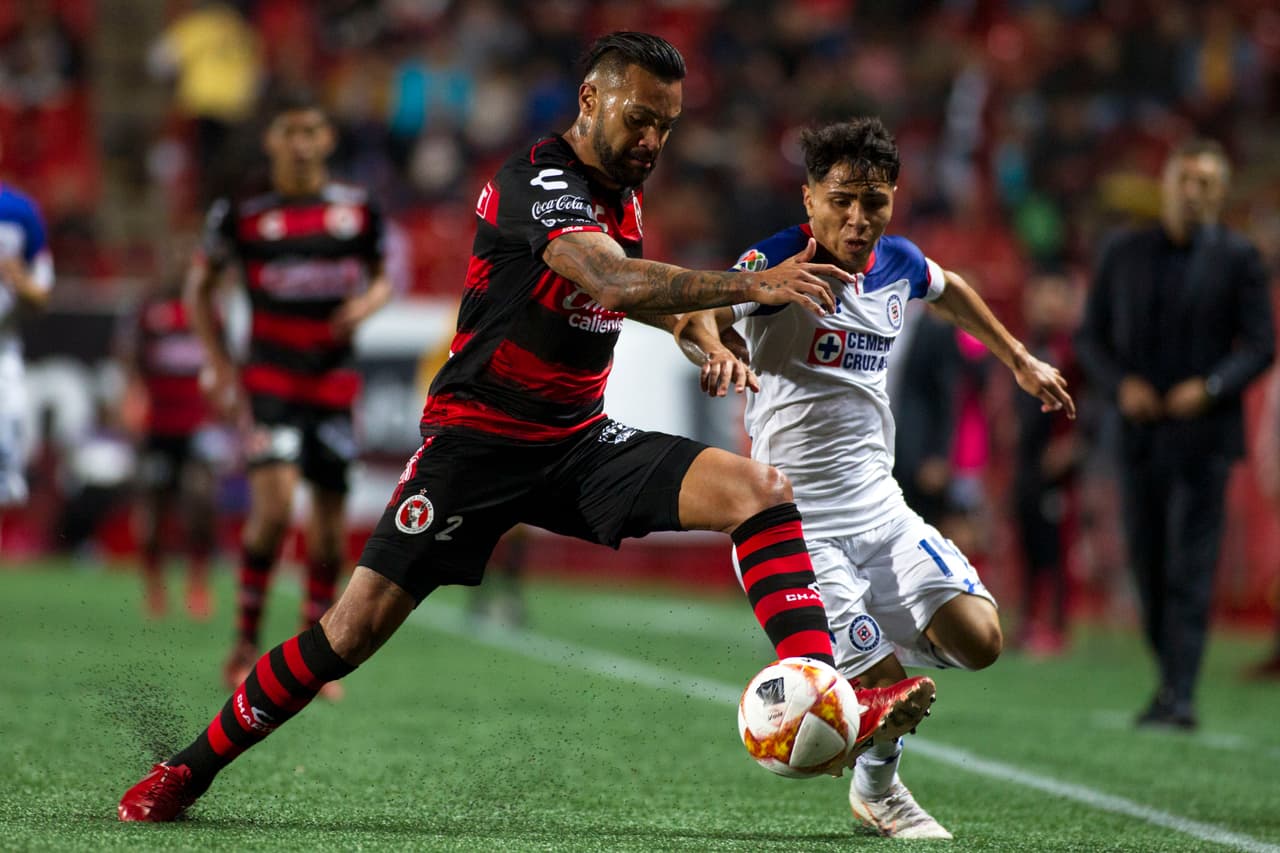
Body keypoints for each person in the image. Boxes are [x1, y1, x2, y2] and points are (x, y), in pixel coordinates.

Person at [118, 33, 938, 823]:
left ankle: (831, 684)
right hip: (475, 446)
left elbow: (640, 298)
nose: (653, 138)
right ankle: (186, 769)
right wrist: (747, 290)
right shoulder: (536, 181)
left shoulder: (623, 192)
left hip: (577, 442)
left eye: (667, 125)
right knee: (349, 629)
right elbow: (612, 282)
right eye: (640, 118)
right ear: (591, 99)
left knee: (759, 491)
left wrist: (704, 338)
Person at [675, 116, 1074, 839]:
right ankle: (878, 785)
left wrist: (1018, 358)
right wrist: (716, 346)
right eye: (841, 201)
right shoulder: (776, 262)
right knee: (889, 685)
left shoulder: (898, 261)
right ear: (809, 199)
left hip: (882, 511)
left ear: (893, 200)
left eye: (875, 201)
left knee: (981, 637)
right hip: (797, 525)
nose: (858, 219)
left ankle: (861, 672)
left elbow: (951, 291)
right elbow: (694, 307)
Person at [186, 93, 392, 701]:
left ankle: (310, 651)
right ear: (272, 140)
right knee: (274, 510)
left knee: (329, 532)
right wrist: (220, 363)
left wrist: (369, 303)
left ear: (328, 139)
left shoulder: (356, 211)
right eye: (289, 130)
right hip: (269, 381)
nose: (301, 142)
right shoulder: (242, 211)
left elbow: (383, 274)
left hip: (332, 384)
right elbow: (200, 286)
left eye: (311, 129)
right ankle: (244, 645)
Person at [1075, 138, 1274, 729]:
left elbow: (1261, 346)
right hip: (1138, 433)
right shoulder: (1122, 252)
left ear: (1220, 193)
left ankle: (1180, 693)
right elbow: (1091, 339)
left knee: (1192, 564)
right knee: (1147, 562)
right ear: (1166, 184)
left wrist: (1210, 387)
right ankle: (1170, 681)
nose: (1195, 193)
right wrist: (1122, 386)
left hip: (1205, 438)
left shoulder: (1240, 259)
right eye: (1187, 180)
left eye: (1208, 184)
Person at [121, 245, 221, 619]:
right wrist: (132, 397)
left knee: (200, 502)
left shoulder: (209, 312)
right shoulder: (149, 309)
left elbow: (226, 360)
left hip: (198, 425)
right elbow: (129, 358)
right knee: (153, 509)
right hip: (158, 427)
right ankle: (154, 586)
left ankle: (198, 584)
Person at [0, 179, 54, 528]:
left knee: (7, 465)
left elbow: (41, 294)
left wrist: (17, 279)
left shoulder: (19, 213)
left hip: (3, 350)